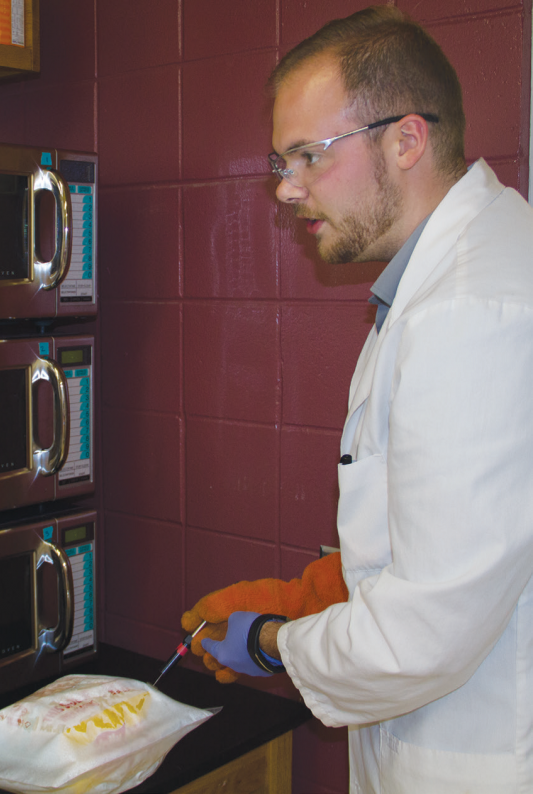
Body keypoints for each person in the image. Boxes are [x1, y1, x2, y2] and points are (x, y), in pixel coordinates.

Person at [181, 6, 533, 792]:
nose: (285, 190)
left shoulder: (469, 313)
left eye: (308, 156)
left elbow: (425, 635)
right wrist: (323, 590)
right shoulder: (456, 273)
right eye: (281, 161)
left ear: (407, 139)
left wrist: (276, 640)